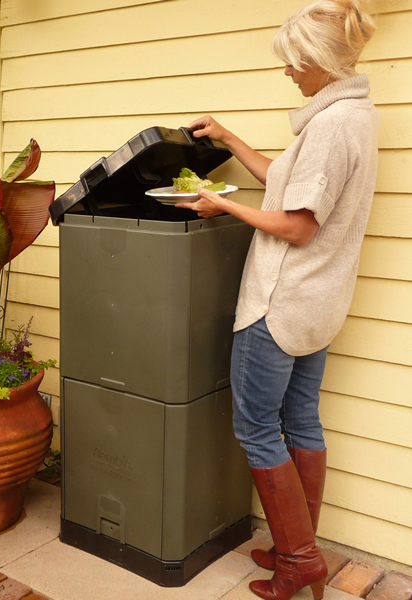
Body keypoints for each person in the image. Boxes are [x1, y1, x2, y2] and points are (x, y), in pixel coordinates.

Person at [176, 1, 378, 599]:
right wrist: (229, 137)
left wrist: (222, 205)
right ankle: (303, 549)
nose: (288, 72)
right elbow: (284, 180)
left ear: (316, 61)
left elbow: (296, 226)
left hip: (279, 305)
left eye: (292, 63)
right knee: (300, 420)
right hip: (320, 302)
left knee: (257, 427)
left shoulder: (332, 126)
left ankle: (296, 561)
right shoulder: (355, 115)